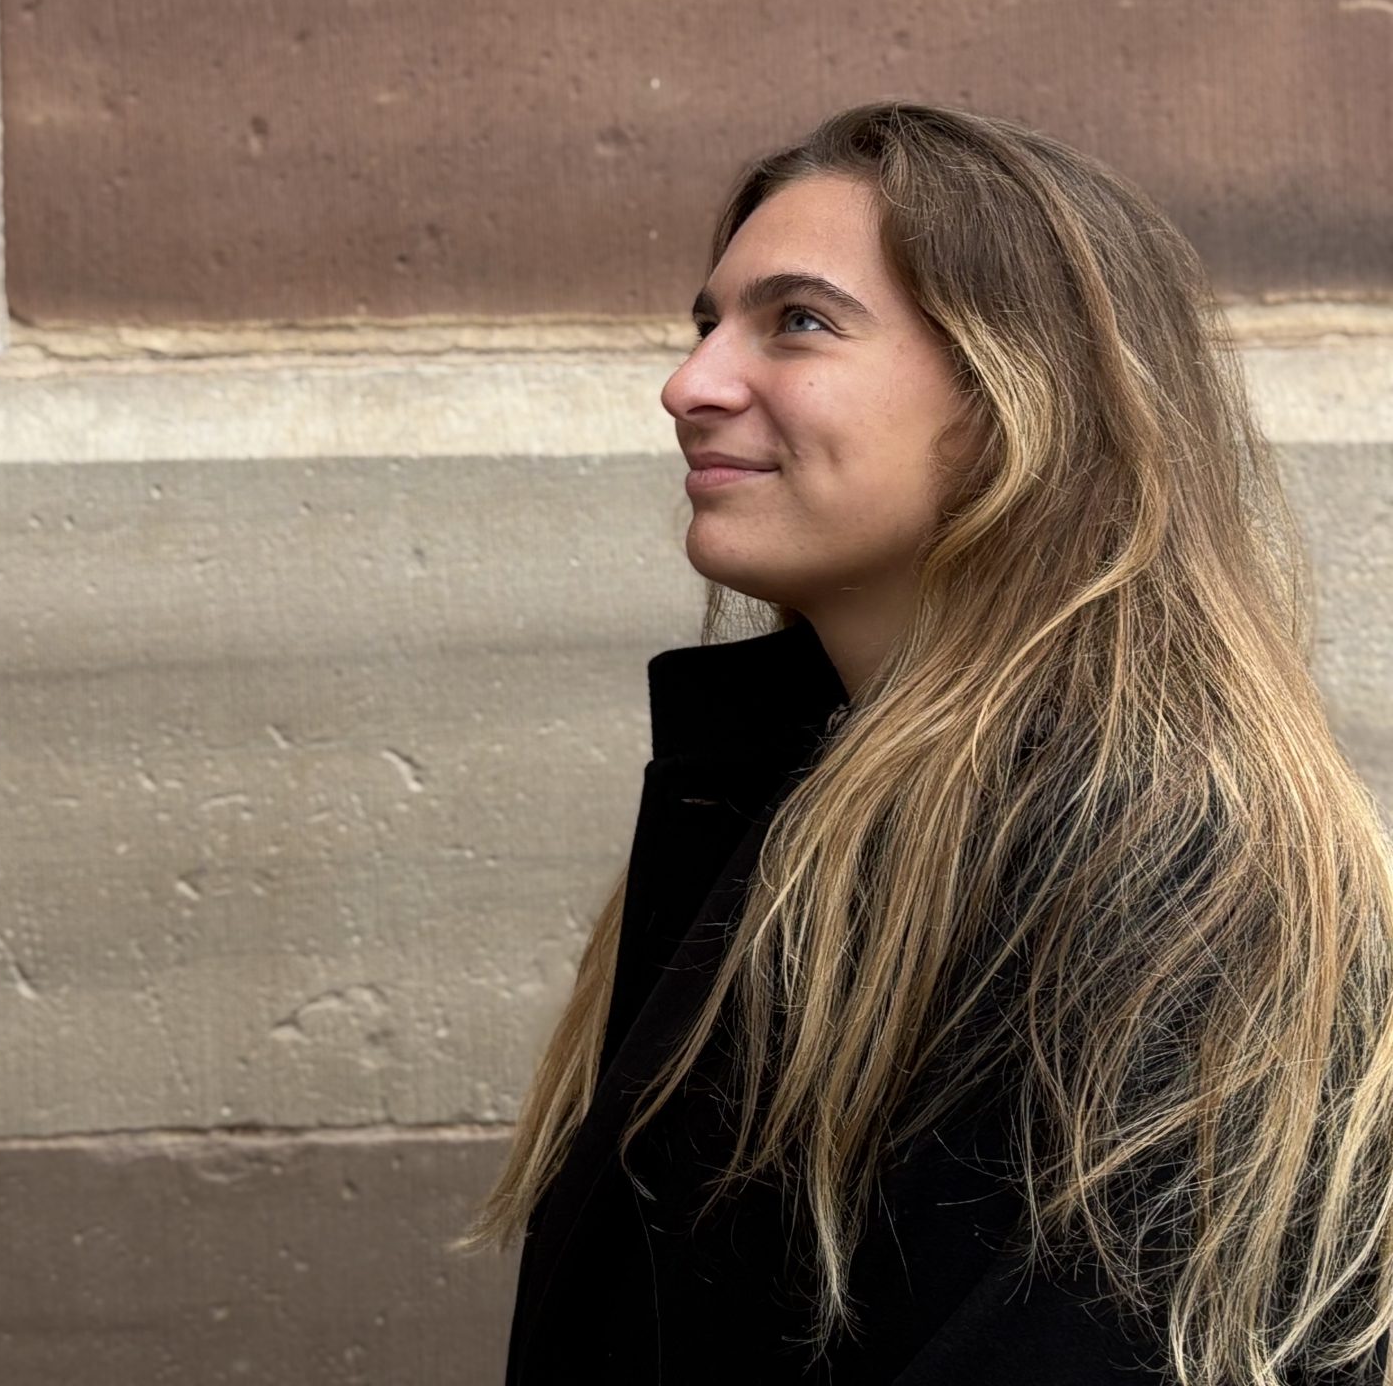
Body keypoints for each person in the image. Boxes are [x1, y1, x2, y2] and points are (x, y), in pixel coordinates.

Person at [460, 102, 1393, 1384]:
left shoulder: (1150, 871)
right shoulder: (788, 796)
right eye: (706, 323)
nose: (689, 386)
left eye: (797, 321)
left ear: (1018, 397)